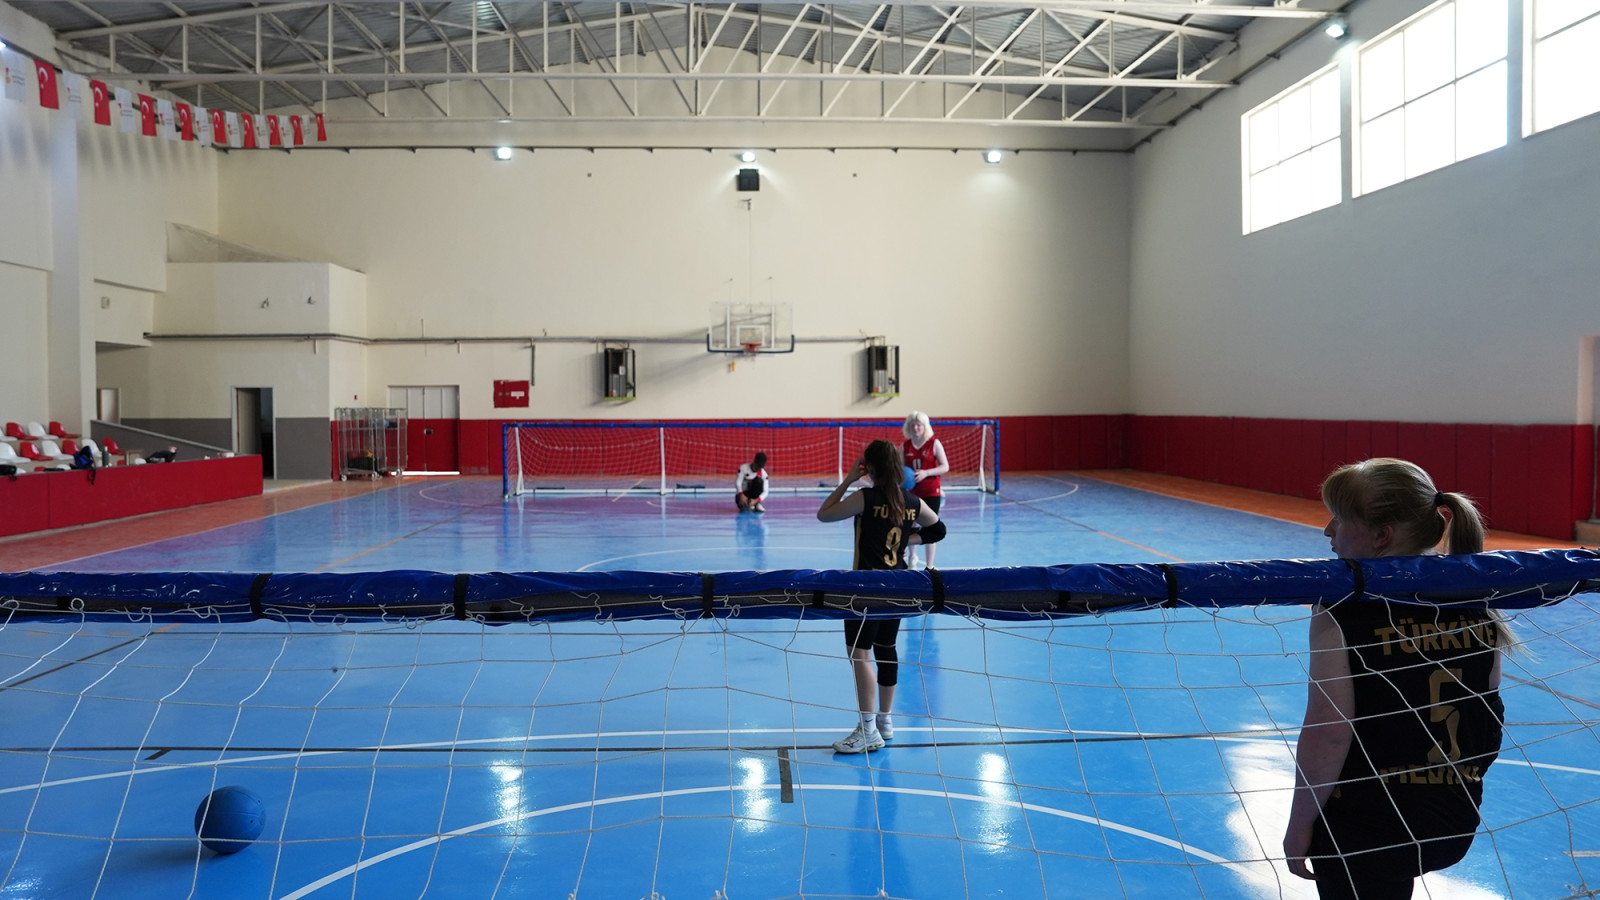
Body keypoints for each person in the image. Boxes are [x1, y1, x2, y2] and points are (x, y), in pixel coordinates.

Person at [1284, 458, 1507, 899]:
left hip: (1363, 823)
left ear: (1381, 536)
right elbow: (1488, 706)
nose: (1328, 530)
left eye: (1340, 518)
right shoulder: (1472, 597)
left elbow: (1329, 731)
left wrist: (1299, 824)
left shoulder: (1342, 606)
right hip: (1450, 814)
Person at [817, 439, 946, 754]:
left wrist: (848, 480)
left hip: (865, 589)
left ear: (870, 468)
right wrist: (907, 541)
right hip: (899, 585)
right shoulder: (912, 501)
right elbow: (938, 529)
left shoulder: (865, 498)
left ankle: (868, 729)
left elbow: (825, 514)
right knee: (886, 649)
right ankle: (885, 721)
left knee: (859, 654)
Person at [901, 411, 950, 569]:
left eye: (919, 425)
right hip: (911, 493)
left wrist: (926, 473)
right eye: (912, 425)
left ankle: (929, 565)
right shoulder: (905, 446)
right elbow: (899, 470)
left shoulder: (934, 443)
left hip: (931, 491)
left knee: (931, 525)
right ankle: (912, 558)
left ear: (925, 427)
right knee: (910, 525)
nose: (915, 428)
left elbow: (945, 466)